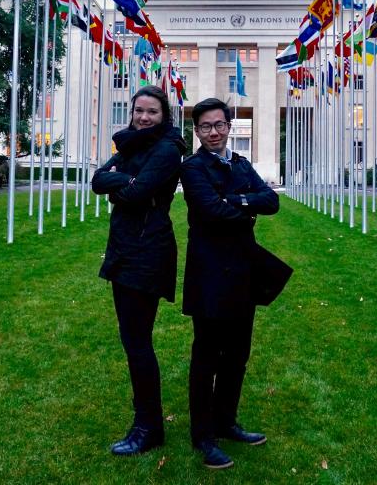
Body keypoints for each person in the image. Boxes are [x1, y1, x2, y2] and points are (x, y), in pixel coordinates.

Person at [179, 97, 280, 470]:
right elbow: (210, 211)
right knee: (207, 356)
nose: (214, 132)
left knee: (237, 354)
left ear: (229, 126)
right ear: (197, 131)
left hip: (242, 272)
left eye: (219, 124)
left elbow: (270, 201)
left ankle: (226, 420)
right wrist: (244, 209)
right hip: (209, 274)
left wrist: (236, 199)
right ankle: (203, 435)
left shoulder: (240, 164)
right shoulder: (192, 168)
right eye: (206, 126)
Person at [91, 85, 188, 456]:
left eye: (152, 112)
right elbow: (99, 179)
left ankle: (147, 426)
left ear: (164, 117)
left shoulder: (166, 149)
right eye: (139, 111)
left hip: (147, 251)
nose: (144, 117)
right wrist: (123, 183)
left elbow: (136, 192)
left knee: (137, 342)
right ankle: (148, 424)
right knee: (132, 340)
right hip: (125, 248)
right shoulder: (130, 145)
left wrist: (125, 186)